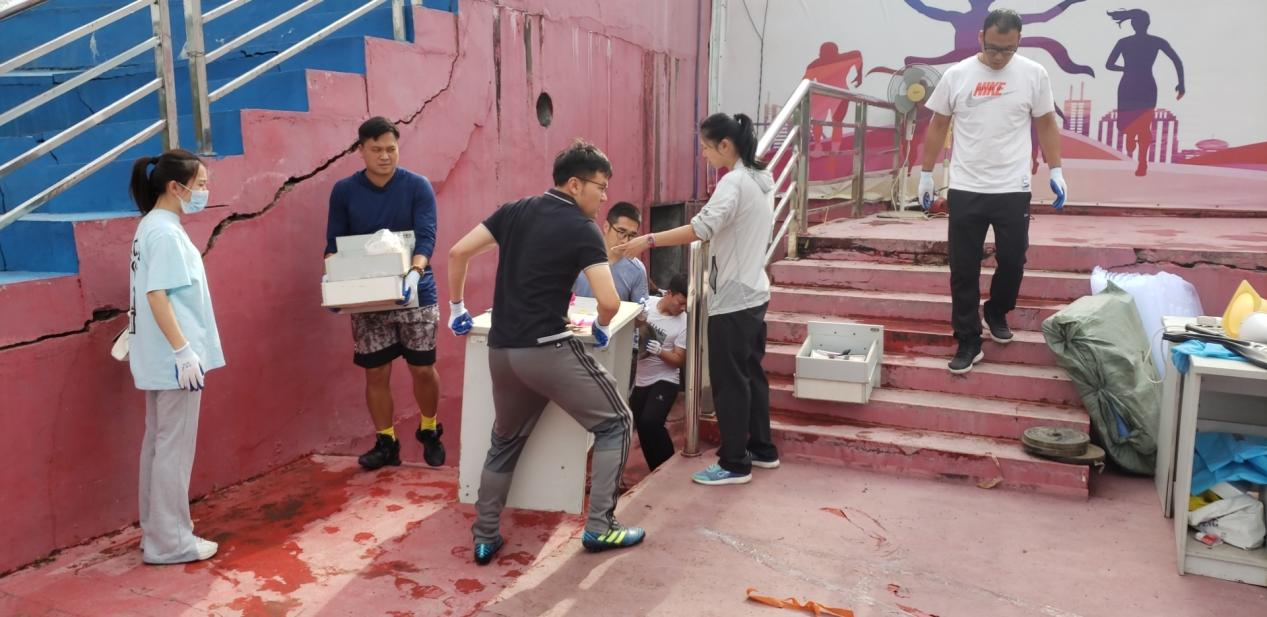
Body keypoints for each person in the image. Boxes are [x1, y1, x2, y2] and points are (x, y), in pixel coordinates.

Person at [447, 140, 645, 565]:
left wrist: (457, 308)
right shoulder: (582, 228)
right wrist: (601, 326)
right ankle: (601, 526)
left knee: (504, 440)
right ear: (574, 184)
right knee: (617, 422)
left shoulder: (513, 210)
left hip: (502, 351)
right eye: (600, 187)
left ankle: (484, 536)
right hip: (546, 350)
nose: (604, 197)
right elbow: (609, 301)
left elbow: (458, 252)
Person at [616, 112, 779, 486]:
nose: (703, 154)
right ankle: (762, 449)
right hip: (755, 291)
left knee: (729, 381)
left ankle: (734, 462)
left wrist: (648, 240)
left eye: (706, 147)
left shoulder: (734, 182)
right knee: (751, 374)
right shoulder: (761, 179)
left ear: (725, 144)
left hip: (732, 298)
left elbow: (701, 228)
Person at [917, 8, 1067, 375]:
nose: (1000, 57)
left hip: (1012, 187)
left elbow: (1046, 123)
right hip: (966, 187)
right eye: (994, 48)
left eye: (1009, 50)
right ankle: (968, 338)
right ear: (981, 37)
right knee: (963, 268)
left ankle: (997, 310)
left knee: (1013, 260)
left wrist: (1057, 169)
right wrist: (926, 173)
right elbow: (938, 124)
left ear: (1018, 43)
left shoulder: (1033, 74)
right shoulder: (957, 75)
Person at [325, 116, 445, 470]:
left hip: (416, 291)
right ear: (360, 150)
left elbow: (426, 237)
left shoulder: (417, 186)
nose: (384, 156)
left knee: (423, 369)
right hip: (368, 294)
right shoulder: (344, 191)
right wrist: (334, 285)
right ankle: (386, 442)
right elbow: (333, 244)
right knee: (375, 372)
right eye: (376, 149)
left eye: (391, 149)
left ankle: (429, 428)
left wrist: (415, 273)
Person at [127, 149, 224, 564]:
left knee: (158, 444)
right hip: (176, 361)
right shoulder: (165, 233)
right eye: (200, 184)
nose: (204, 191)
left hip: (159, 357)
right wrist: (184, 352)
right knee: (173, 450)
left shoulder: (151, 226)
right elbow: (156, 295)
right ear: (175, 187)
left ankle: (157, 532)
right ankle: (170, 542)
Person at [1105, 8, 1185, 177]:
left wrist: (1125, 68)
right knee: (1141, 126)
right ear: (1147, 24)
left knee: (1140, 125)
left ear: (1133, 24)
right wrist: (1181, 84)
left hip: (1129, 86)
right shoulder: (1156, 42)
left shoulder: (1124, 42)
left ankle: (1142, 162)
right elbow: (1176, 60)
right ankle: (1137, 149)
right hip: (1145, 86)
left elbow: (1109, 65)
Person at [630, 274, 689, 471]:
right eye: (680, 302)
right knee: (642, 426)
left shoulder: (683, 322)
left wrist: (659, 351)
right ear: (669, 294)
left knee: (651, 421)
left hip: (665, 378)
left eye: (686, 305)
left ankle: (670, 469)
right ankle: (655, 470)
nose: (682, 308)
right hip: (641, 378)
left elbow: (679, 359)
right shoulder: (647, 304)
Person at [572, 201, 648, 303]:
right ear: (606, 227)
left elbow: (640, 309)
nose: (625, 241)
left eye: (632, 235)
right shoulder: (577, 259)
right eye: (621, 232)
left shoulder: (637, 270)